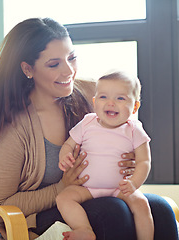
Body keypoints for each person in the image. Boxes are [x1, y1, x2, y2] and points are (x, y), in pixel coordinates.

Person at [0, 17, 178, 240]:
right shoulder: (14, 128)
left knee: (160, 209)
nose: (69, 71)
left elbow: (127, 131)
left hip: (102, 196)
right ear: (28, 69)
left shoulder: (91, 92)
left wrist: (131, 161)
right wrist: (61, 187)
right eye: (54, 64)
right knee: (113, 213)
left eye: (72, 58)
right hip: (44, 214)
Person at [57, 71, 153, 240]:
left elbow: (144, 161)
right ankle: (84, 229)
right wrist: (64, 156)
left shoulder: (134, 129)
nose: (111, 103)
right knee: (63, 198)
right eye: (103, 97)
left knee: (142, 204)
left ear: (135, 107)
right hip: (86, 188)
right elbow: (68, 144)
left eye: (120, 98)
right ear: (94, 102)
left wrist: (134, 183)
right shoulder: (87, 122)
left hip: (120, 188)